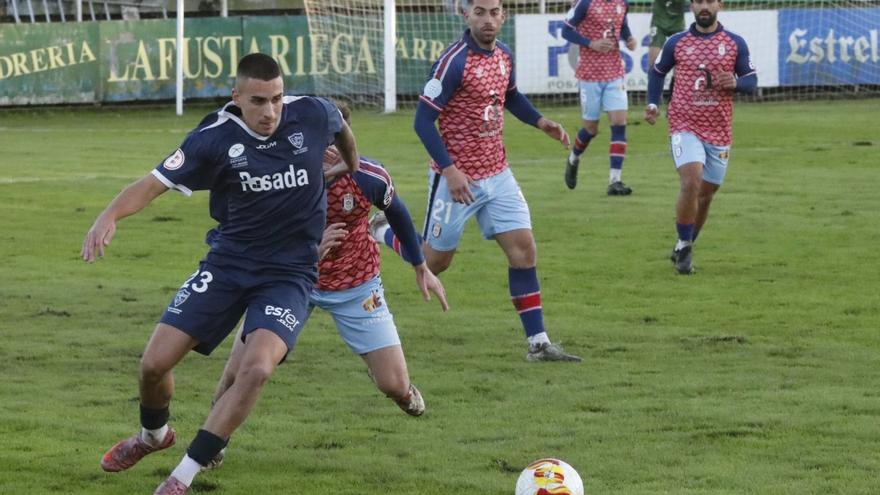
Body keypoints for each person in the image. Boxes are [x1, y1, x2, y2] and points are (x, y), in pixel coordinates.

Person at [81, 53, 359, 494]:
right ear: (237, 97)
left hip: (288, 274)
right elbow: (153, 183)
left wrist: (349, 165)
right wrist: (108, 215)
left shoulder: (312, 111)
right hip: (228, 265)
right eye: (258, 101)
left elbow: (342, 129)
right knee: (153, 365)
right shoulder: (212, 138)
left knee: (258, 368)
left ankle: (182, 476)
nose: (270, 111)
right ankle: (153, 436)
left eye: (277, 99)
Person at [212, 103, 449, 429]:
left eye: (335, 142)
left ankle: (398, 386)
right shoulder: (279, 178)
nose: (326, 152)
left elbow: (397, 210)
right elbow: (253, 237)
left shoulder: (368, 176)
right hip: (290, 282)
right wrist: (310, 248)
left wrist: (420, 265)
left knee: (393, 385)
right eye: (318, 142)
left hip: (357, 284)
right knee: (240, 371)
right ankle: (211, 443)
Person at [374, 0, 581, 363]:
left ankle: (538, 343)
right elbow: (422, 121)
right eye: (480, 12)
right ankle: (381, 230)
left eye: (495, 12)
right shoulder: (453, 61)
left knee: (524, 250)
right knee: (434, 263)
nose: (488, 19)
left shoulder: (504, 55)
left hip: (497, 173)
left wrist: (540, 122)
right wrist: (450, 171)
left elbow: (510, 96)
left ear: (504, 15)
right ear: (465, 14)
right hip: (457, 180)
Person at [644, 0, 757, 274]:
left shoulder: (735, 43)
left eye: (709, 1)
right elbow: (657, 72)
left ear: (719, 4)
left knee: (706, 195)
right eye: (698, 2)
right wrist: (653, 104)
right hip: (684, 123)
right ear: (691, 7)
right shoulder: (676, 42)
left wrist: (737, 83)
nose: (704, 7)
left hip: (719, 129)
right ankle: (685, 243)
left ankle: (684, 245)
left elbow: (751, 81)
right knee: (691, 181)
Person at [562, 0, 638, 195]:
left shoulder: (622, 3)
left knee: (619, 123)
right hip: (589, 75)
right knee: (591, 129)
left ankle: (615, 180)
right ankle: (574, 157)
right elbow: (566, 31)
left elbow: (623, 26)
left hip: (615, 72)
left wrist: (629, 38)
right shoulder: (585, 4)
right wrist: (591, 43)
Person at [648, 0, 687, 97]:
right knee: (654, 60)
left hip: (677, 22)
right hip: (659, 21)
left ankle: (675, 96)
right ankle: (653, 100)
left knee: (680, 62)